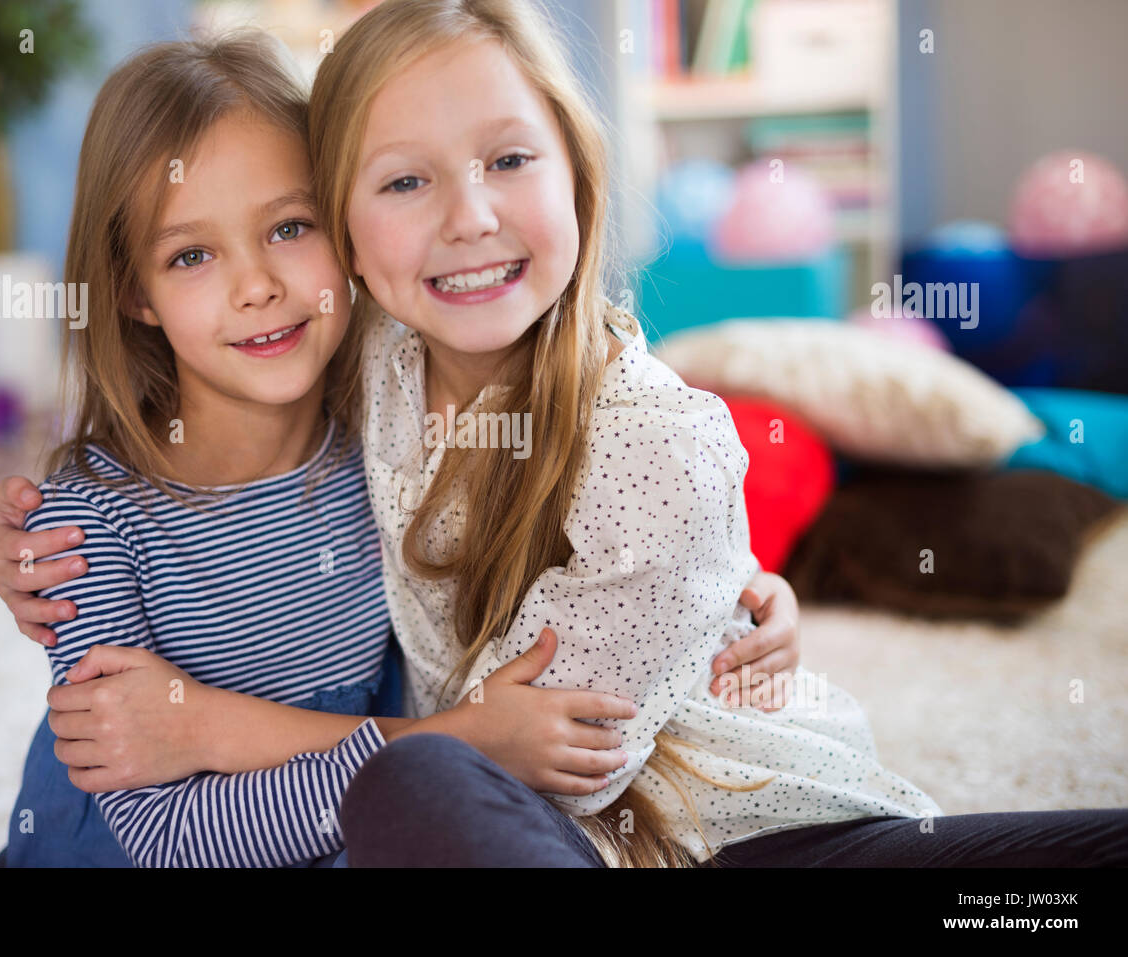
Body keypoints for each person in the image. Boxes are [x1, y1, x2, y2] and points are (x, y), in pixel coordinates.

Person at [296, 0, 1125, 867]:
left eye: (508, 159)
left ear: (576, 177)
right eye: (403, 180)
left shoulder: (653, 438)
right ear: (343, 238)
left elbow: (559, 755)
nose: (468, 217)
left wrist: (220, 731)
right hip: (543, 827)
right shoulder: (380, 360)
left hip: (746, 825)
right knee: (415, 781)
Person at [0, 28, 805, 868]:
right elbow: (172, 837)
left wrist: (726, 586)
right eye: (191, 254)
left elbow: (591, 500)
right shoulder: (85, 530)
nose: (257, 286)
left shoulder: (371, 405)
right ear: (131, 290)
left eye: (289, 227)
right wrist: (456, 739)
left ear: (343, 231)